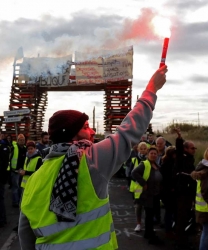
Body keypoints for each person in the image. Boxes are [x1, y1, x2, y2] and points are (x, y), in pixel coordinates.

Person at [18, 65, 168, 250]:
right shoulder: (89, 161)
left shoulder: (33, 180)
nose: (92, 131)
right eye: (85, 127)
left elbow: (25, 235)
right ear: (73, 135)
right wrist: (151, 89)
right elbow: (127, 132)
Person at [131, 147, 163, 245]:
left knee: (151, 214)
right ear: (148, 155)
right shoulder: (144, 164)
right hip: (148, 194)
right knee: (149, 215)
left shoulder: (156, 165)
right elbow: (134, 173)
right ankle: (149, 234)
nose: (153, 155)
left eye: (155, 153)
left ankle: (148, 232)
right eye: (151, 153)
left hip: (155, 194)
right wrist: (143, 183)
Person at [173, 127, 197, 250]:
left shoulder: (190, 159)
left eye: (195, 148)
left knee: (186, 217)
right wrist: (179, 137)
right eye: (192, 148)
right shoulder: (181, 157)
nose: (195, 150)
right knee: (181, 217)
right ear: (186, 149)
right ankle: (180, 242)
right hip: (183, 192)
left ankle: (183, 240)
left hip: (189, 192)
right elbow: (178, 148)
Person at [128, 142, 148, 232]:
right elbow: (130, 174)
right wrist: (140, 181)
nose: (143, 150)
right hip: (137, 188)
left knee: (148, 207)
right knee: (138, 207)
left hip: (148, 188)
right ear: (138, 149)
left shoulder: (150, 159)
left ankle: (148, 225)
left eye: (145, 149)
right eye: (141, 149)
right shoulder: (134, 160)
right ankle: (138, 224)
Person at [160, 146, 176, 238]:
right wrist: (171, 187)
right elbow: (166, 179)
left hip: (167, 191)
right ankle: (168, 230)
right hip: (168, 191)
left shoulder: (166, 163)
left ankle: (168, 228)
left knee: (169, 211)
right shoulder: (167, 164)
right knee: (169, 211)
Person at [10, 134, 27, 208]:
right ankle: (15, 202)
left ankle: (20, 201)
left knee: (21, 187)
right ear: (17, 140)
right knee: (15, 187)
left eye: (23, 140)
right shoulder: (13, 147)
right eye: (20, 140)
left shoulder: (25, 148)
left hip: (23, 171)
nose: (22, 141)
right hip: (15, 171)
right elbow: (9, 158)